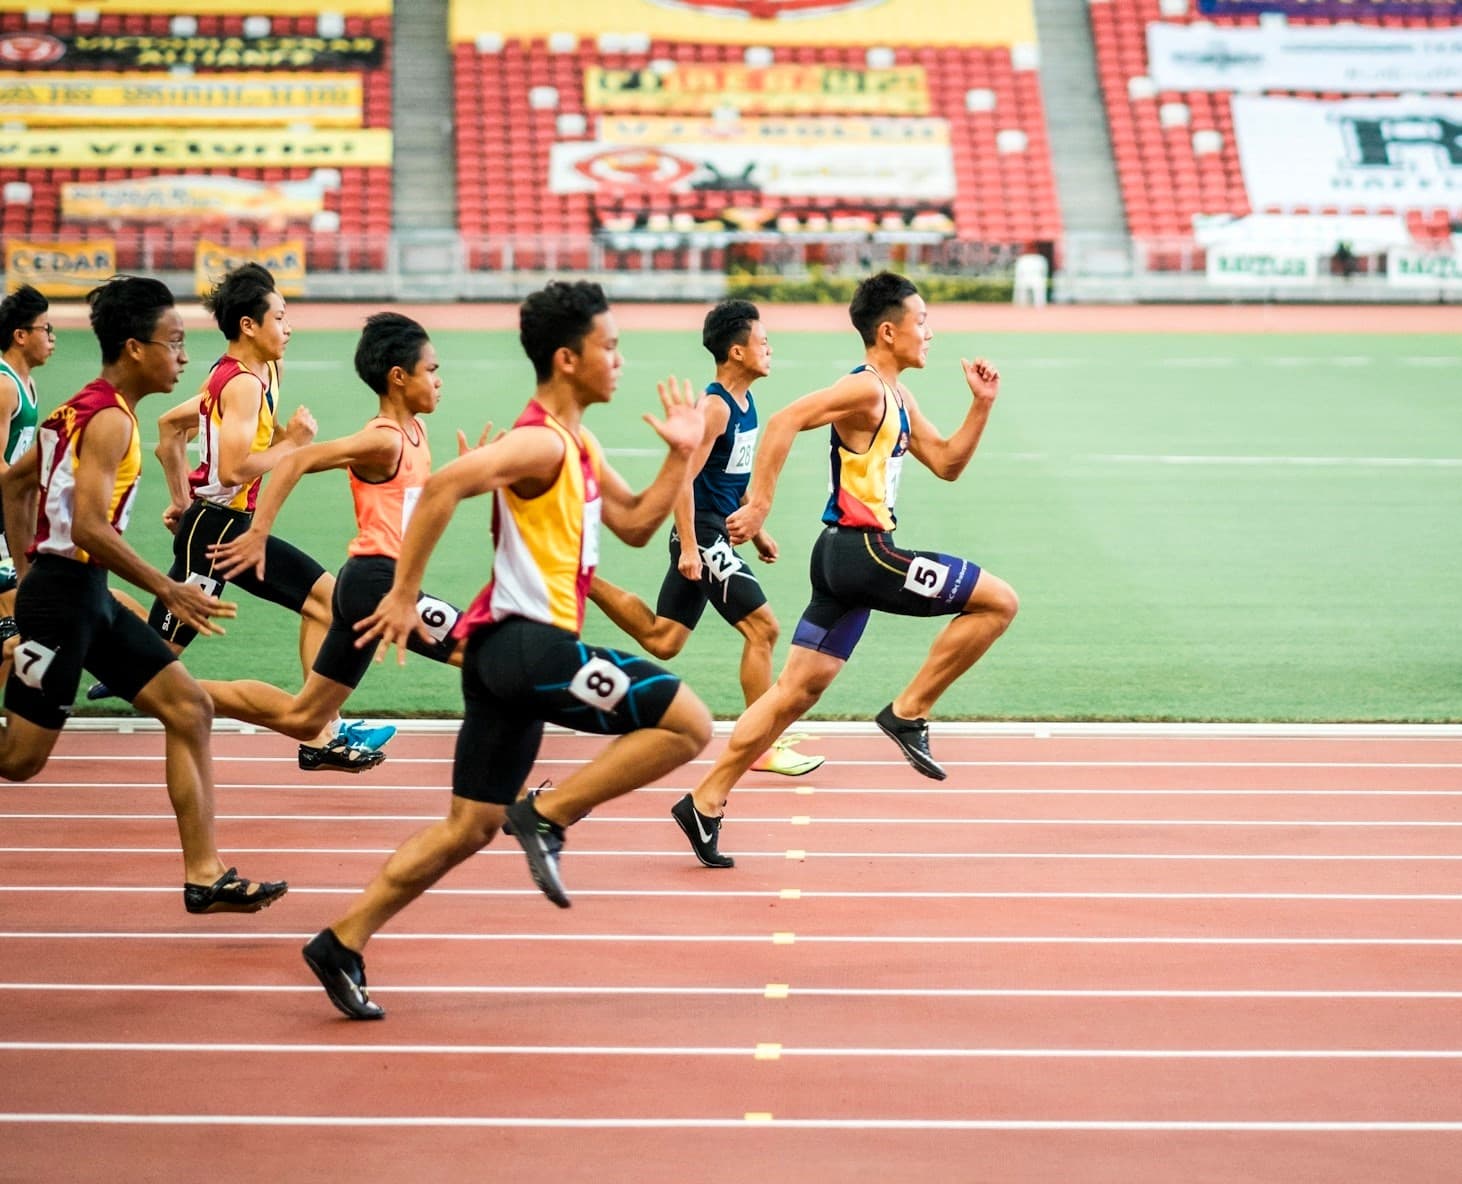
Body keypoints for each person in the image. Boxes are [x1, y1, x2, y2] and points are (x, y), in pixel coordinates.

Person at [302, 280, 712, 1020]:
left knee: (471, 826)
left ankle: (341, 940)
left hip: (502, 659)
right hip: (530, 648)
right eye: (608, 347)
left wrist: (685, 455)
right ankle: (550, 815)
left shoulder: (577, 440)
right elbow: (440, 490)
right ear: (566, 358)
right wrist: (402, 593)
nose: (619, 360)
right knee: (689, 725)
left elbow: (639, 524)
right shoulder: (538, 441)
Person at [670, 271, 1019, 869]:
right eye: (922, 322)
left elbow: (948, 462)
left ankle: (705, 800)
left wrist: (980, 407)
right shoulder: (862, 390)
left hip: (841, 561)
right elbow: (782, 421)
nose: (930, 333)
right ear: (888, 331)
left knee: (792, 693)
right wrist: (759, 504)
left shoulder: (899, 396)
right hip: (865, 554)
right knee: (999, 602)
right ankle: (908, 712)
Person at [0, 274, 287, 913]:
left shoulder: (77, 409)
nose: (183, 358)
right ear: (135, 348)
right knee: (18, 762)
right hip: (65, 599)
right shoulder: (105, 421)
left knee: (188, 709)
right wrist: (167, 589)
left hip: (78, 592)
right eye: (174, 343)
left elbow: (15, 486)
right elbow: (90, 528)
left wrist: (26, 574)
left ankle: (205, 875)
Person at [137, 263, 390, 771]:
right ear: (249, 326)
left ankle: (324, 731)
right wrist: (295, 446)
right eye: (279, 317)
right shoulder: (242, 383)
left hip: (221, 524)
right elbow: (233, 467)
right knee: (153, 658)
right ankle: (79, 639)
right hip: (217, 530)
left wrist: (182, 497)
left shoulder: (263, 371)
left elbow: (173, 427)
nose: (289, 327)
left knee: (324, 602)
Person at [198, 313, 469, 747]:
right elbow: (295, 460)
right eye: (431, 371)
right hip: (378, 584)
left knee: (304, 718)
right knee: (487, 653)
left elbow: (414, 505)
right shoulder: (383, 439)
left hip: (364, 584)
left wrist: (466, 472)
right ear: (398, 377)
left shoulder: (413, 430)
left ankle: (163, 685)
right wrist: (257, 533)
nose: (439, 381)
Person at [588, 299, 823, 777]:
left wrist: (758, 532)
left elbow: (726, 480)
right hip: (702, 534)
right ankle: (760, 744)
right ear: (736, 352)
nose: (769, 348)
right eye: (762, 341)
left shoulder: (745, 402)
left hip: (718, 530)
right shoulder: (713, 408)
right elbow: (682, 480)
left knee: (665, 638)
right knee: (764, 629)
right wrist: (692, 546)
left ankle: (582, 578)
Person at [0, 285, 55, 579]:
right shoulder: (4, 386)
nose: (52, 337)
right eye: (45, 328)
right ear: (20, 336)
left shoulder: (27, 384)